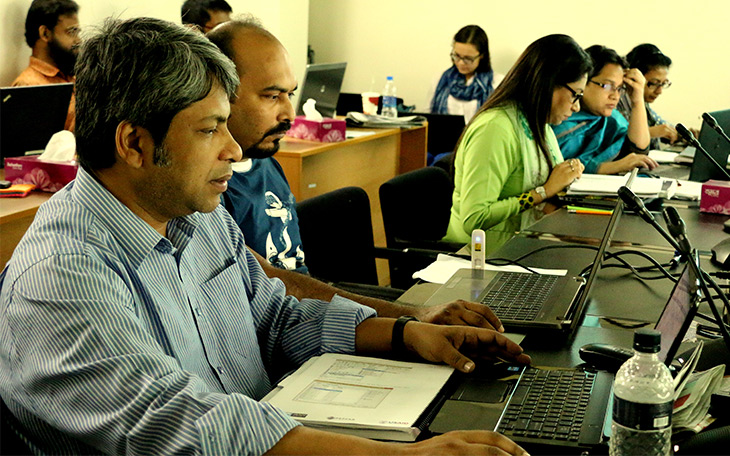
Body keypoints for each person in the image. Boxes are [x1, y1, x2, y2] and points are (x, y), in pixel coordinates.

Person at [0, 17, 531, 455]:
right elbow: (179, 425)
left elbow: (276, 317)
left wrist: (407, 335)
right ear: (135, 143)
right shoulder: (62, 274)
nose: (234, 150)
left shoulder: (198, 216)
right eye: (210, 129)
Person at [208, 18, 511, 328]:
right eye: (272, 96)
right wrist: (410, 317)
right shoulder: (208, 192)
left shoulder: (266, 162)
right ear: (220, 94)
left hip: (308, 319)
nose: (289, 113)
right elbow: (277, 286)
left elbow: (301, 283)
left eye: (290, 94)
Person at [442, 34, 592, 244]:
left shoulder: (540, 124)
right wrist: (543, 191)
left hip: (520, 246)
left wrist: (567, 180)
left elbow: (552, 188)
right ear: (548, 83)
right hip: (476, 257)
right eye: (575, 95)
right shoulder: (495, 129)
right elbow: (474, 220)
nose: (576, 106)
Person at [552, 45, 658, 175]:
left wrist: (637, 101)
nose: (615, 96)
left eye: (619, 88)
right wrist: (607, 167)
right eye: (607, 86)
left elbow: (638, 151)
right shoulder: (559, 116)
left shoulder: (612, 120)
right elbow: (551, 168)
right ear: (583, 80)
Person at [12, 0, 80, 131]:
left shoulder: (71, 76)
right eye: (71, 32)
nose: (78, 40)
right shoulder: (28, 87)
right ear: (45, 33)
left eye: (77, 32)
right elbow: (37, 149)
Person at [619, 43, 695, 148]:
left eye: (663, 84)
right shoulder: (615, 101)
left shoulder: (643, 104)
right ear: (634, 77)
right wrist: (649, 132)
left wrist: (684, 135)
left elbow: (663, 127)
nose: (659, 91)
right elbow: (612, 141)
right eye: (654, 83)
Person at [428, 25, 496, 123]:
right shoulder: (441, 79)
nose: (460, 63)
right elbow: (427, 116)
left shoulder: (495, 83)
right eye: (457, 56)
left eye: (468, 58)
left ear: (482, 56)